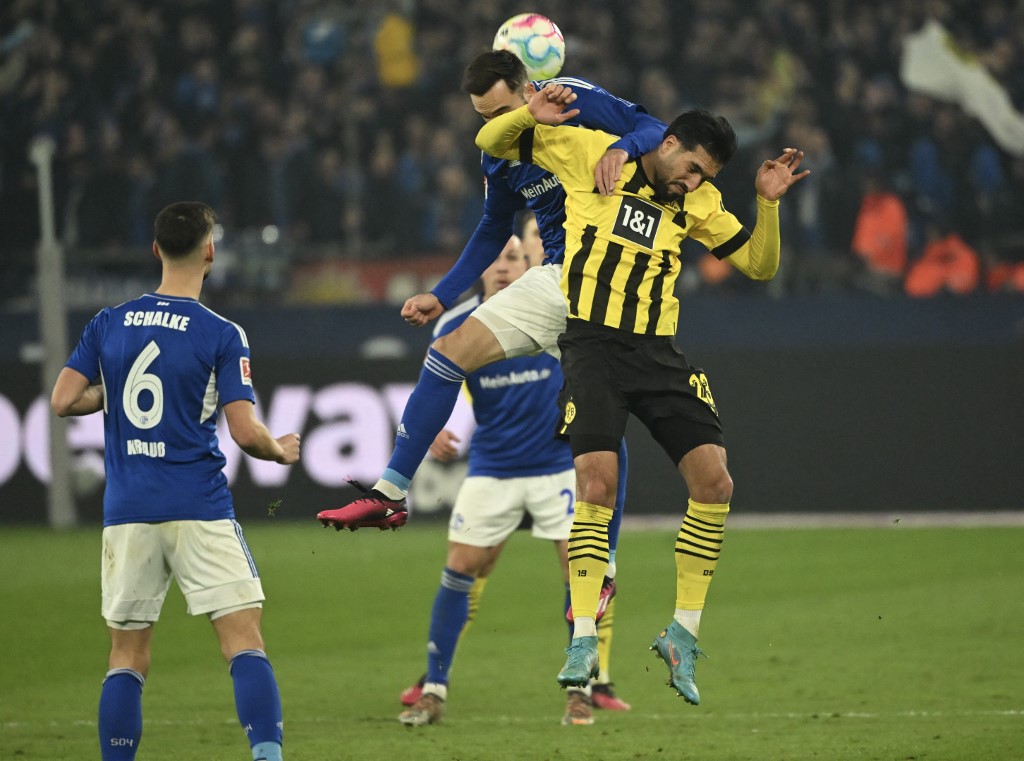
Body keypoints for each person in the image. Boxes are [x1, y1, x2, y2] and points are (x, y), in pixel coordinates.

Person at [475, 85, 808, 705]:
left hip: (658, 354)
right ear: (669, 142)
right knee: (595, 485)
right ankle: (582, 636)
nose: (692, 182)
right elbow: (488, 140)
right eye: (690, 167)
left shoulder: (700, 201)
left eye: (705, 176)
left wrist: (767, 206)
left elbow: (760, 267)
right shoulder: (591, 154)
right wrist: (529, 115)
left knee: (716, 484)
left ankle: (683, 632)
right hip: (593, 348)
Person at [315, 49, 666, 535]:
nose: (499, 124)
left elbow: (656, 129)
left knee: (602, 422)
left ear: (528, 92)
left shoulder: (573, 100)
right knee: (446, 353)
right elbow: (493, 225)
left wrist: (620, 149)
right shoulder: (498, 152)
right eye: (485, 118)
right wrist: (442, 295)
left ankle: (603, 561)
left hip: (611, 276)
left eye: (503, 112)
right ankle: (390, 493)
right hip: (558, 278)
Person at [50, 202, 300, 761]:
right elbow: (243, 433)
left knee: (127, 656)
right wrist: (279, 451)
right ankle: (267, 756)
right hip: (199, 505)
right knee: (243, 642)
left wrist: (109, 394)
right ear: (210, 251)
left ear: (155, 249)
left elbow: (63, 400)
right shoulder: (221, 333)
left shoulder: (109, 322)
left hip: (128, 510)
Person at [397, 231, 629, 728]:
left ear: (531, 265)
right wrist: (431, 429)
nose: (505, 266)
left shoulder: (555, 313)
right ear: (481, 267)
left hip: (556, 465)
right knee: (460, 566)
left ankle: (580, 691)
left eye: (516, 257)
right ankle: (434, 688)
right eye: (497, 258)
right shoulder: (461, 324)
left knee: (580, 570)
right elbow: (435, 379)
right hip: (493, 467)